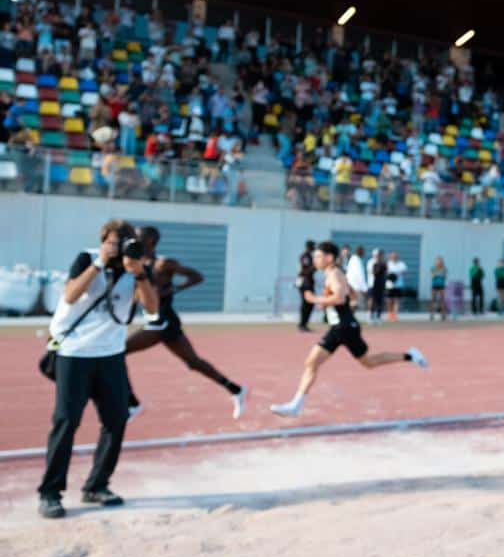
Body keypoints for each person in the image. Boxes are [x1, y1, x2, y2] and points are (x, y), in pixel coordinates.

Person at [37, 220, 160, 519]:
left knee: (117, 419)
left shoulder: (137, 269)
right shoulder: (85, 258)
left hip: (110, 355)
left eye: (126, 243)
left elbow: (153, 310)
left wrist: (139, 273)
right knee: (66, 421)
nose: (120, 249)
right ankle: (50, 493)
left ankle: (97, 485)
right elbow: (69, 296)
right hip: (75, 353)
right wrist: (99, 263)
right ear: (103, 241)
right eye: (115, 243)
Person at [270, 241, 428, 418]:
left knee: (312, 362)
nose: (315, 259)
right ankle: (411, 355)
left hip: (343, 327)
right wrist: (329, 302)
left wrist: (315, 299)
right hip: (345, 326)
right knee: (368, 362)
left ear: (329, 258)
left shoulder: (334, 274)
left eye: (318, 256)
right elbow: (349, 295)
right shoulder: (335, 274)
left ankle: (296, 406)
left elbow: (338, 298)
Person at [123, 227, 247, 420]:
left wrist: (172, 289)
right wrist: (127, 315)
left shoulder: (163, 264)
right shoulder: (135, 264)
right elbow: (136, 294)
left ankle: (132, 404)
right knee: (193, 363)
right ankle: (236, 389)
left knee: (118, 352)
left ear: (151, 242)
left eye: (139, 237)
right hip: (155, 321)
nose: (134, 240)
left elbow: (197, 276)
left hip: (163, 321)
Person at [297, 240, 316, 331]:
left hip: (309, 282)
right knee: (306, 303)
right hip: (305, 283)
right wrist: (315, 266)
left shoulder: (310, 256)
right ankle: (302, 324)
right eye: (313, 246)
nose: (314, 248)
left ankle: (304, 323)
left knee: (310, 304)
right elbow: (305, 270)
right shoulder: (305, 256)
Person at [385, 251, 408, 320]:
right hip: (389, 285)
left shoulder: (401, 264)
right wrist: (390, 276)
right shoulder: (388, 264)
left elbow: (404, 272)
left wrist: (396, 275)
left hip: (398, 285)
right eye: (392, 256)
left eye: (395, 256)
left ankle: (395, 315)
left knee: (397, 300)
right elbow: (385, 272)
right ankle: (389, 314)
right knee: (389, 300)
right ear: (390, 257)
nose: (394, 257)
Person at [345, 246, 368, 311]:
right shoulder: (356, 260)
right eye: (363, 252)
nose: (364, 253)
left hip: (351, 285)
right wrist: (364, 287)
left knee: (353, 302)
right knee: (356, 303)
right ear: (360, 252)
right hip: (356, 286)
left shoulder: (353, 259)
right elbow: (360, 274)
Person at [368, 248, 388, 324]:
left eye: (380, 255)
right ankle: (371, 316)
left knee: (380, 301)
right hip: (373, 284)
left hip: (381, 284)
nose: (379, 256)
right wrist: (378, 265)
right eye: (377, 255)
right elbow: (373, 272)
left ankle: (378, 316)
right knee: (373, 300)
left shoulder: (383, 263)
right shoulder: (372, 262)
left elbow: (386, 273)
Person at [429, 256, 448, 321]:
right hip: (434, 285)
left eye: (440, 261)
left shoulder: (444, 269)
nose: (438, 263)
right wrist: (438, 274)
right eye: (437, 261)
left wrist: (439, 274)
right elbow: (432, 276)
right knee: (433, 300)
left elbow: (445, 277)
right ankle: (432, 315)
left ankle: (443, 315)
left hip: (441, 285)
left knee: (442, 300)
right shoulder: (433, 268)